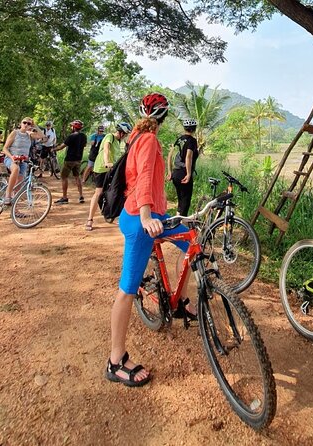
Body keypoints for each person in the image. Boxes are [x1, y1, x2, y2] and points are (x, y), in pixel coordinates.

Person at [106, 93, 195, 387]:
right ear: (164, 116)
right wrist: (146, 217)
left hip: (154, 214)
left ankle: (181, 301)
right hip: (140, 219)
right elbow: (144, 178)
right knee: (127, 291)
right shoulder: (148, 140)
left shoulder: (137, 136)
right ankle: (115, 361)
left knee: (193, 242)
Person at [84, 122, 132, 230]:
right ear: (120, 132)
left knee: (118, 191)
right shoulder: (109, 137)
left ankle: (113, 214)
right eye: (124, 133)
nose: (125, 136)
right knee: (99, 192)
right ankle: (90, 220)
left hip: (111, 169)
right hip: (101, 168)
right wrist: (107, 162)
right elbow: (106, 149)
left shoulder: (120, 142)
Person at [1, 117, 44, 205]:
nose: (26, 125)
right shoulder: (15, 133)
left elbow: (41, 136)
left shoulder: (30, 135)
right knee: (16, 169)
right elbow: (4, 148)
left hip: (23, 161)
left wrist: (34, 125)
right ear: (21, 123)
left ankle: (15, 210)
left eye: (28, 123)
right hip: (11, 158)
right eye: (24, 123)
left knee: (19, 184)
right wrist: (12, 157)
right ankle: (7, 195)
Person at [166, 118, 199, 215]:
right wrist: (188, 174)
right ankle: (181, 227)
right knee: (185, 202)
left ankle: (177, 221)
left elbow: (170, 156)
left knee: (181, 201)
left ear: (185, 128)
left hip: (175, 173)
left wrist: (170, 172)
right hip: (184, 173)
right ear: (194, 129)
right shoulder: (192, 140)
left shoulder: (179, 140)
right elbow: (188, 156)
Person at [54, 120, 87, 204]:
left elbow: (62, 146)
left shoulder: (71, 136)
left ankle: (64, 197)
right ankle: (81, 196)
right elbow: (85, 145)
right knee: (77, 177)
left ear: (73, 127)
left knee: (64, 177)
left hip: (69, 160)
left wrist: (54, 149)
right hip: (78, 160)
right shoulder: (83, 136)